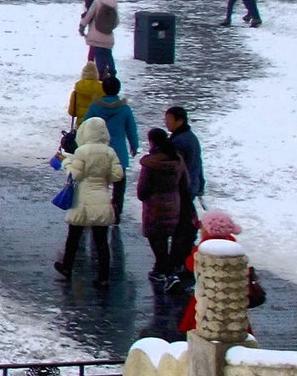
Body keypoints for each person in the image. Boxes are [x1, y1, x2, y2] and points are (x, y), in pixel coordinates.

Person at [55, 117, 123, 285]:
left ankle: (67, 266)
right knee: (101, 241)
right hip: (101, 197)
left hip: (82, 199)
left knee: (74, 236)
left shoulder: (82, 152)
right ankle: (104, 276)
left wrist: (66, 162)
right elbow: (117, 176)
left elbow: (75, 174)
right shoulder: (110, 152)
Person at [137, 128, 194, 289]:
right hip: (174, 206)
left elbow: (142, 191)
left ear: (152, 142)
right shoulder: (177, 159)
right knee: (166, 240)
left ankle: (167, 274)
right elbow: (186, 184)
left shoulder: (150, 163)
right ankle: (163, 271)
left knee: (157, 241)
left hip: (154, 209)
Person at [85, 75, 139, 218]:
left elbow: (85, 126)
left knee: (98, 183)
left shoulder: (95, 107)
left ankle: (96, 210)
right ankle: (116, 210)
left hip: (98, 151)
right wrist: (134, 146)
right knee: (119, 183)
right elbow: (131, 130)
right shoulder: (124, 109)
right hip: (118, 152)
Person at [78, 0, 119, 77]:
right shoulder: (114, 4)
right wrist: (108, 27)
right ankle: (112, 72)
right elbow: (117, 22)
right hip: (108, 36)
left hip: (96, 35)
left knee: (99, 54)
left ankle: (100, 73)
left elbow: (88, 16)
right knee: (108, 54)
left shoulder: (98, 2)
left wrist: (82, 27)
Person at [68, 62, 105, 128]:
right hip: (96, 127)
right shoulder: (102, 90)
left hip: (81, 127)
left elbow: (72, 112)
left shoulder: (77, 91)